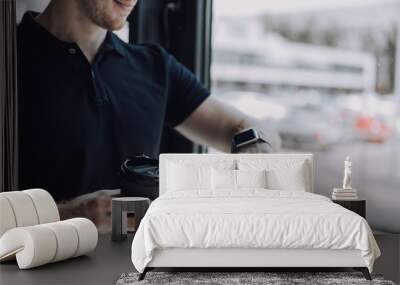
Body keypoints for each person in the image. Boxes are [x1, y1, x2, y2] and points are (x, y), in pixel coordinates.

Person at [18, 0, 280, 224]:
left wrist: (254, 156)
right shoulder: (11, 60)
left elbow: (255, 130)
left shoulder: (154, 67)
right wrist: (72, 215)